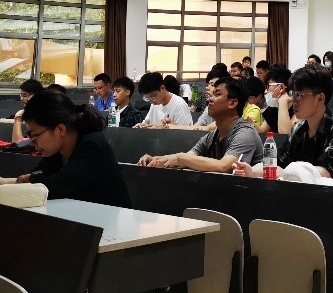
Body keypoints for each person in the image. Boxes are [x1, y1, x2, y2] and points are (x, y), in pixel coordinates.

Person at [0, 91, 131, 208]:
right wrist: (7, 182)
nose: (34, 143)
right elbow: (36, 177)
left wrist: (27, 180)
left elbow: (58, 186)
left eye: (35, 136)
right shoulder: (56, 150)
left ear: (60, 129)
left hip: (110, 221)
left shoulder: (93, 144)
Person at [233, 65, 333, 184]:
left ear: (320, 98)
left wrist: (284, 173)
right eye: (293, 93)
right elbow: (275, 162)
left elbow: (325, 171)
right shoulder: (298, 129)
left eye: (300, 94)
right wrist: (251, 171)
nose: (293, 100)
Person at [138, 77, 263, 173]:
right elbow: (188, 157)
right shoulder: (213, 135)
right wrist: (156, 159)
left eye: (217, 94)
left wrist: (180, 158)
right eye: (212, 94)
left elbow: (224, 166)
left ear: (232, 103)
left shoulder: (245, 133)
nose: (210, 99)